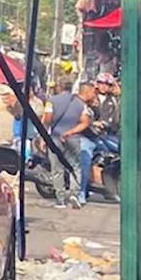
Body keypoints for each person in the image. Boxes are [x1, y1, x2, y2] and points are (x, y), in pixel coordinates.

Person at [43, 79, 94, 209]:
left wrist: (44, 134)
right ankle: (74, 194)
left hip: (55, 138)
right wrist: (70, 132)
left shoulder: (52, 101)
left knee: (57, 169)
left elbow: (48, 119)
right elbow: (85, 122)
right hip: (73, 139)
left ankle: (60, 200)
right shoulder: (81, 104)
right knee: (75, 167)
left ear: (58, 88)